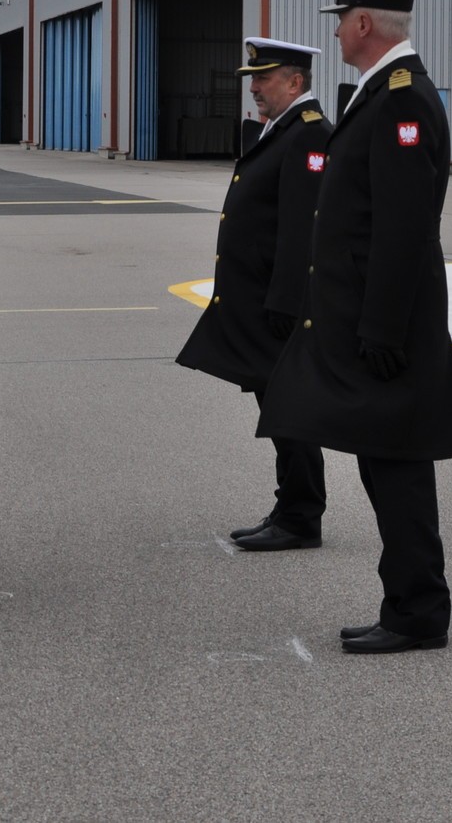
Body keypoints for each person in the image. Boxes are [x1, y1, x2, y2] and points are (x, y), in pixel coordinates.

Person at [259, 0, 452, 654]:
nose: (333, 33)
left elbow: (404, 227)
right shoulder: (381, 93)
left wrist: (382, 327)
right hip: (368, 320)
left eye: (340, 20)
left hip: (389, 326)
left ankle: (417, 610)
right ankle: (409, 602)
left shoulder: (401, 99)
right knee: (383, 463)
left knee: (397, 465)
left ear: (362, 25)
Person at [177, 38, 331, 551]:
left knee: (289, 409)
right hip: (262, 301)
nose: (254, 88)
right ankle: (292, 509)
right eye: (253, 79)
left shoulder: (309, 135)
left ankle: (300, 517)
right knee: (279, 406)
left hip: (280, 305)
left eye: (264, 78)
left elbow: (302, 229)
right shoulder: (281, 129)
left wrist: (286, 302)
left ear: (295, 81)